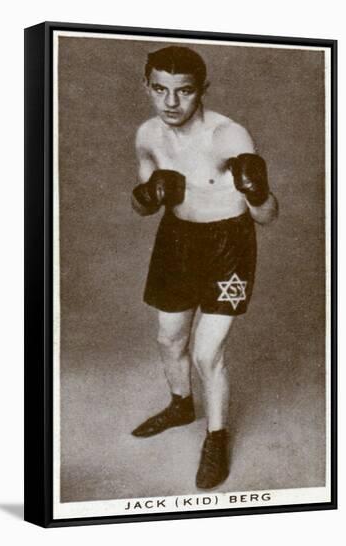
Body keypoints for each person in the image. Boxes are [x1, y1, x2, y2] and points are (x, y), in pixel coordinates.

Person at [130, 45, 278, 490]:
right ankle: (180, 405)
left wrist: (256, 193)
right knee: (168, 336)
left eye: (184, 91)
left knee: (206, 352)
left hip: (228, 246)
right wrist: (148, 195)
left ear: (202, 91)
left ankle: (216, 437)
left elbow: (267, 215)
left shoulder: (229, 137)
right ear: (148, 88)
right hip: (175, 243)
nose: (171, 103)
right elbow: (145, 200)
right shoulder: (147, 136)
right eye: (160, 90)